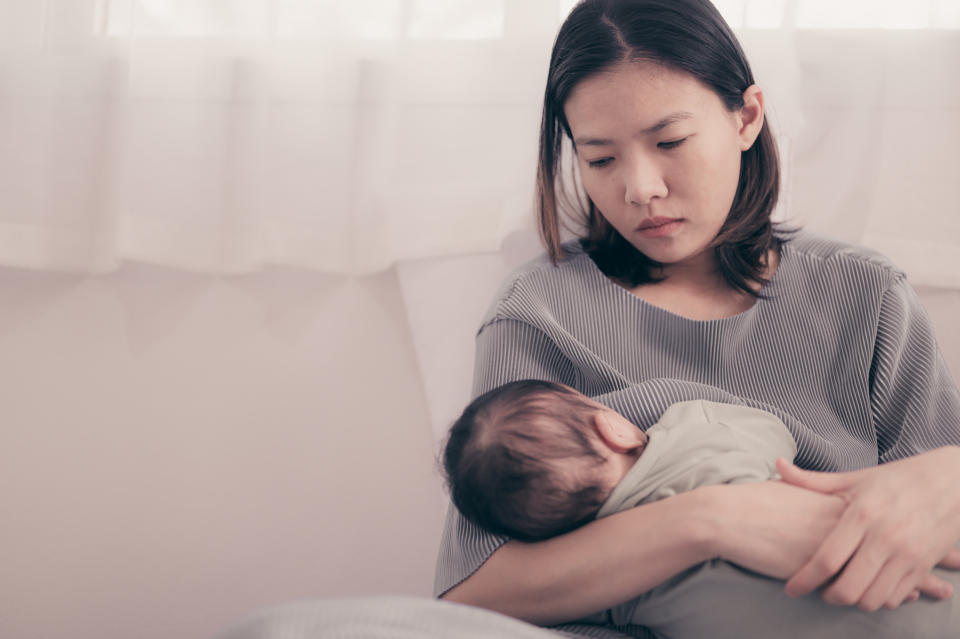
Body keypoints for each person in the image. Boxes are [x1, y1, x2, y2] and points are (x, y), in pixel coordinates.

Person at [434, 1, 960, 637]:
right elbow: (473, 592)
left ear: (747, 117)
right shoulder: (537, 313)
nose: (640, 189)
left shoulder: (863, 292)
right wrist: (711, 520)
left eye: (670, 142)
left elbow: (937, 499)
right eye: (600, 160)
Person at [441, 380, 960, 638]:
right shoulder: (695, 428)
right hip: (915, 579)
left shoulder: (614, 586)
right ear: (614, 427)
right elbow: (771, 431)